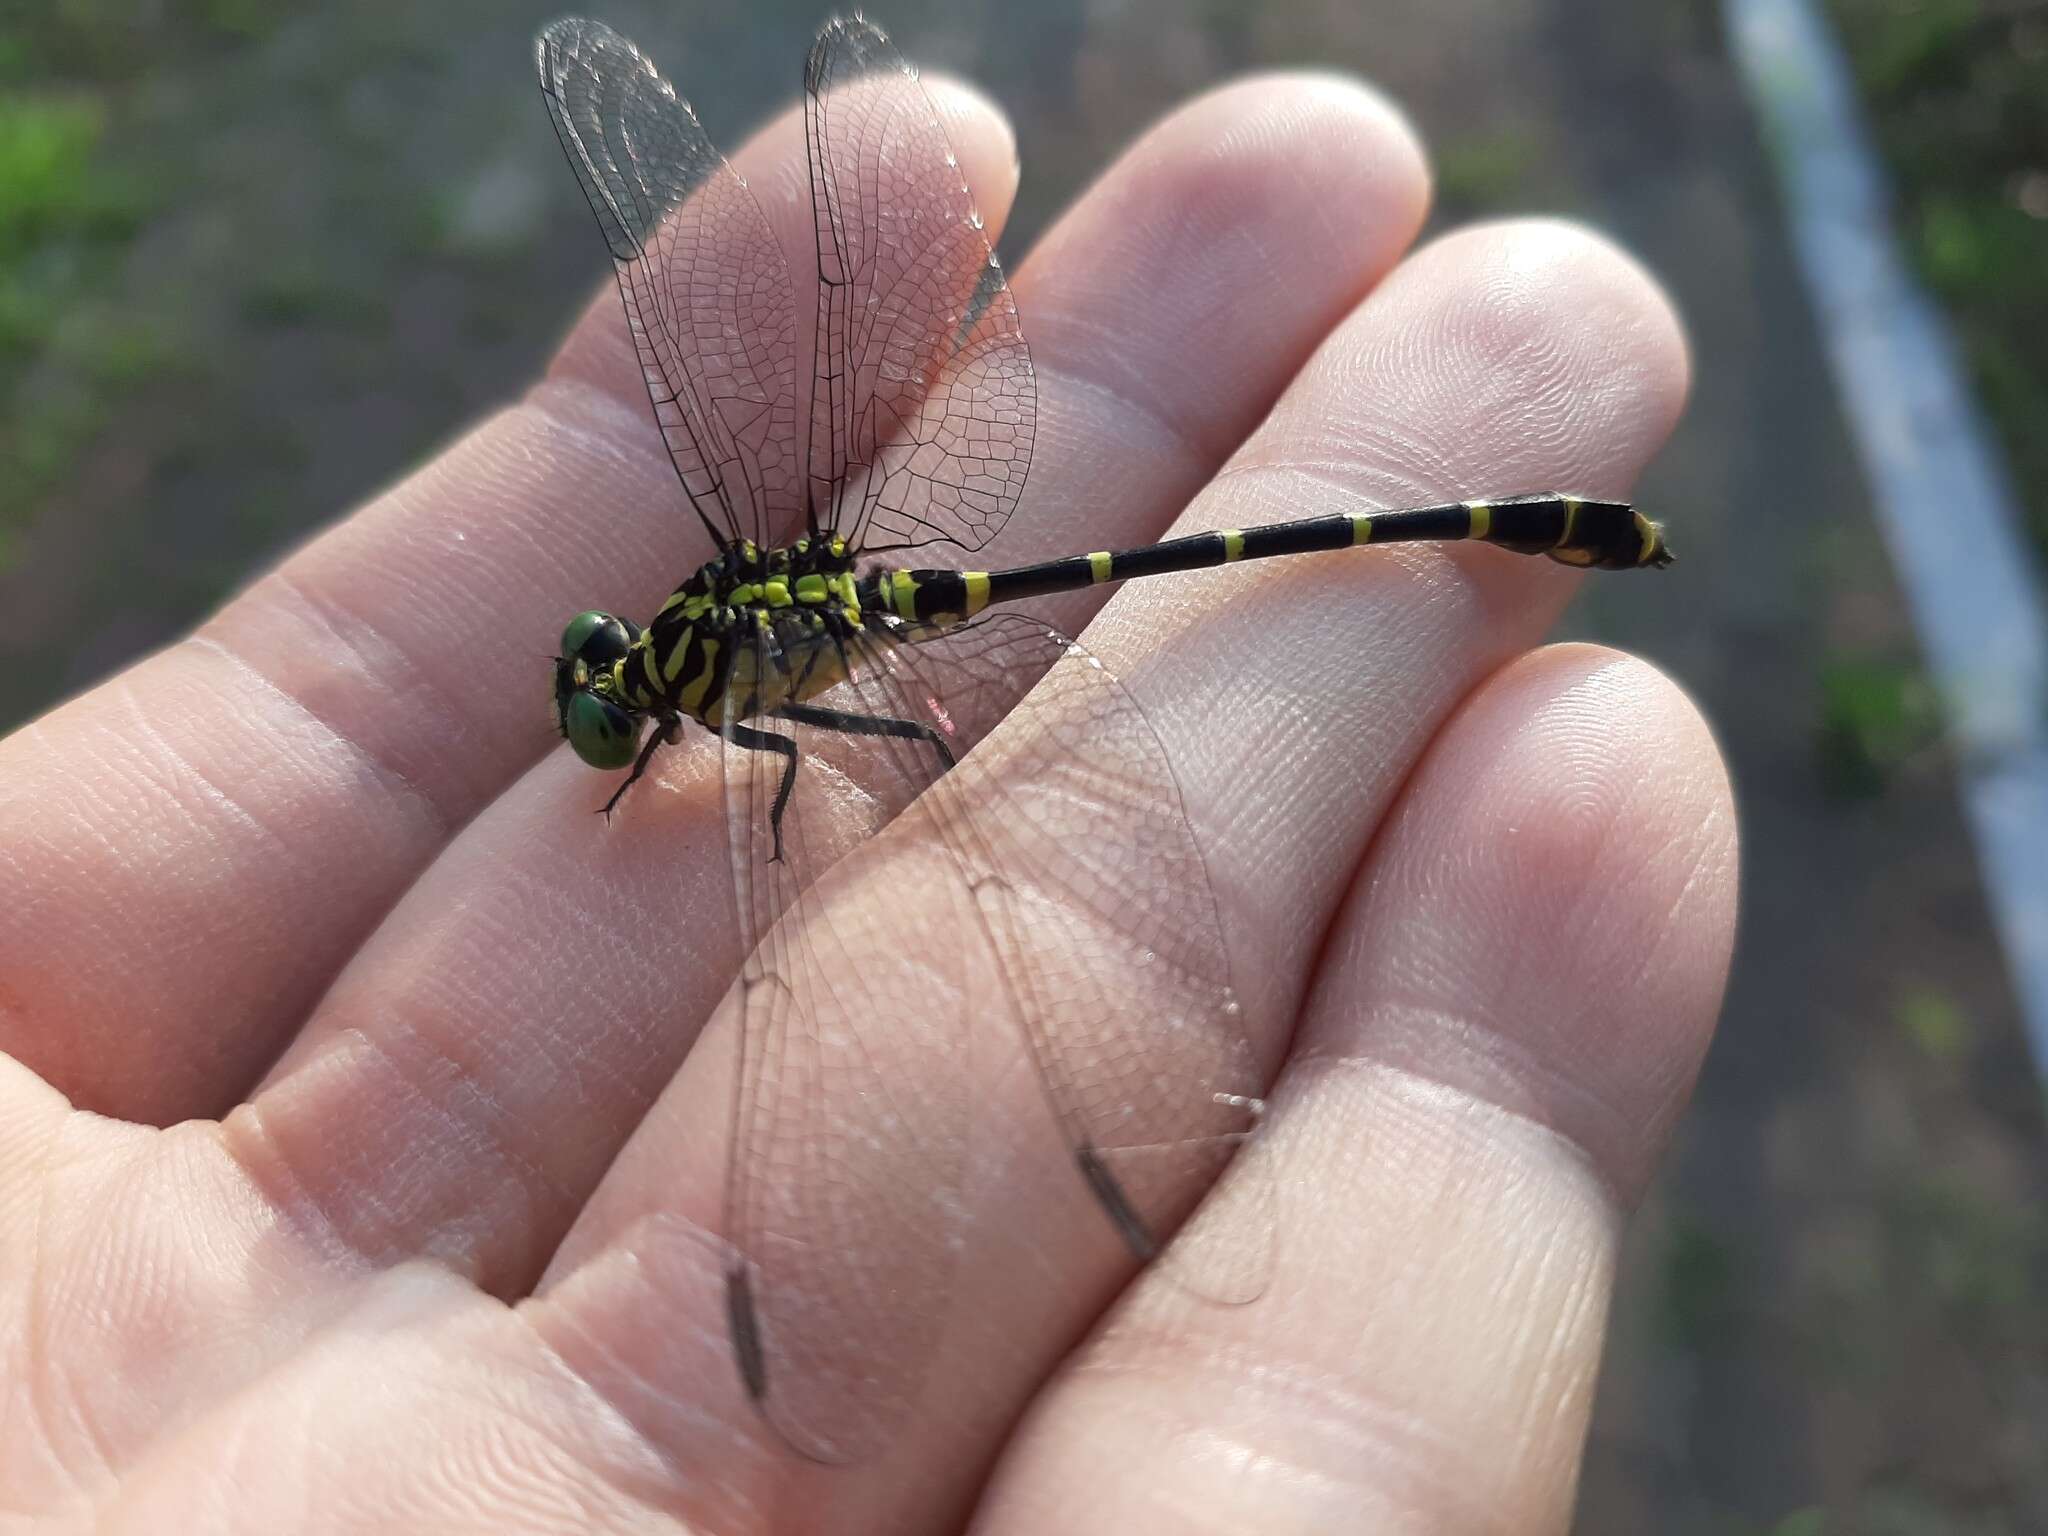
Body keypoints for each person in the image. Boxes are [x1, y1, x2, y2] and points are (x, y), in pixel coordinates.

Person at [0, 70, 1734, 1531]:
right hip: (848, 618)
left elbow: (786, 769)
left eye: (610, 685)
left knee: (1204, 591)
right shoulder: (718, 671)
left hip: (882, 624)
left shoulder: (730, 698)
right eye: (609, 682)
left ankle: (1505, 513)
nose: (604, 688)